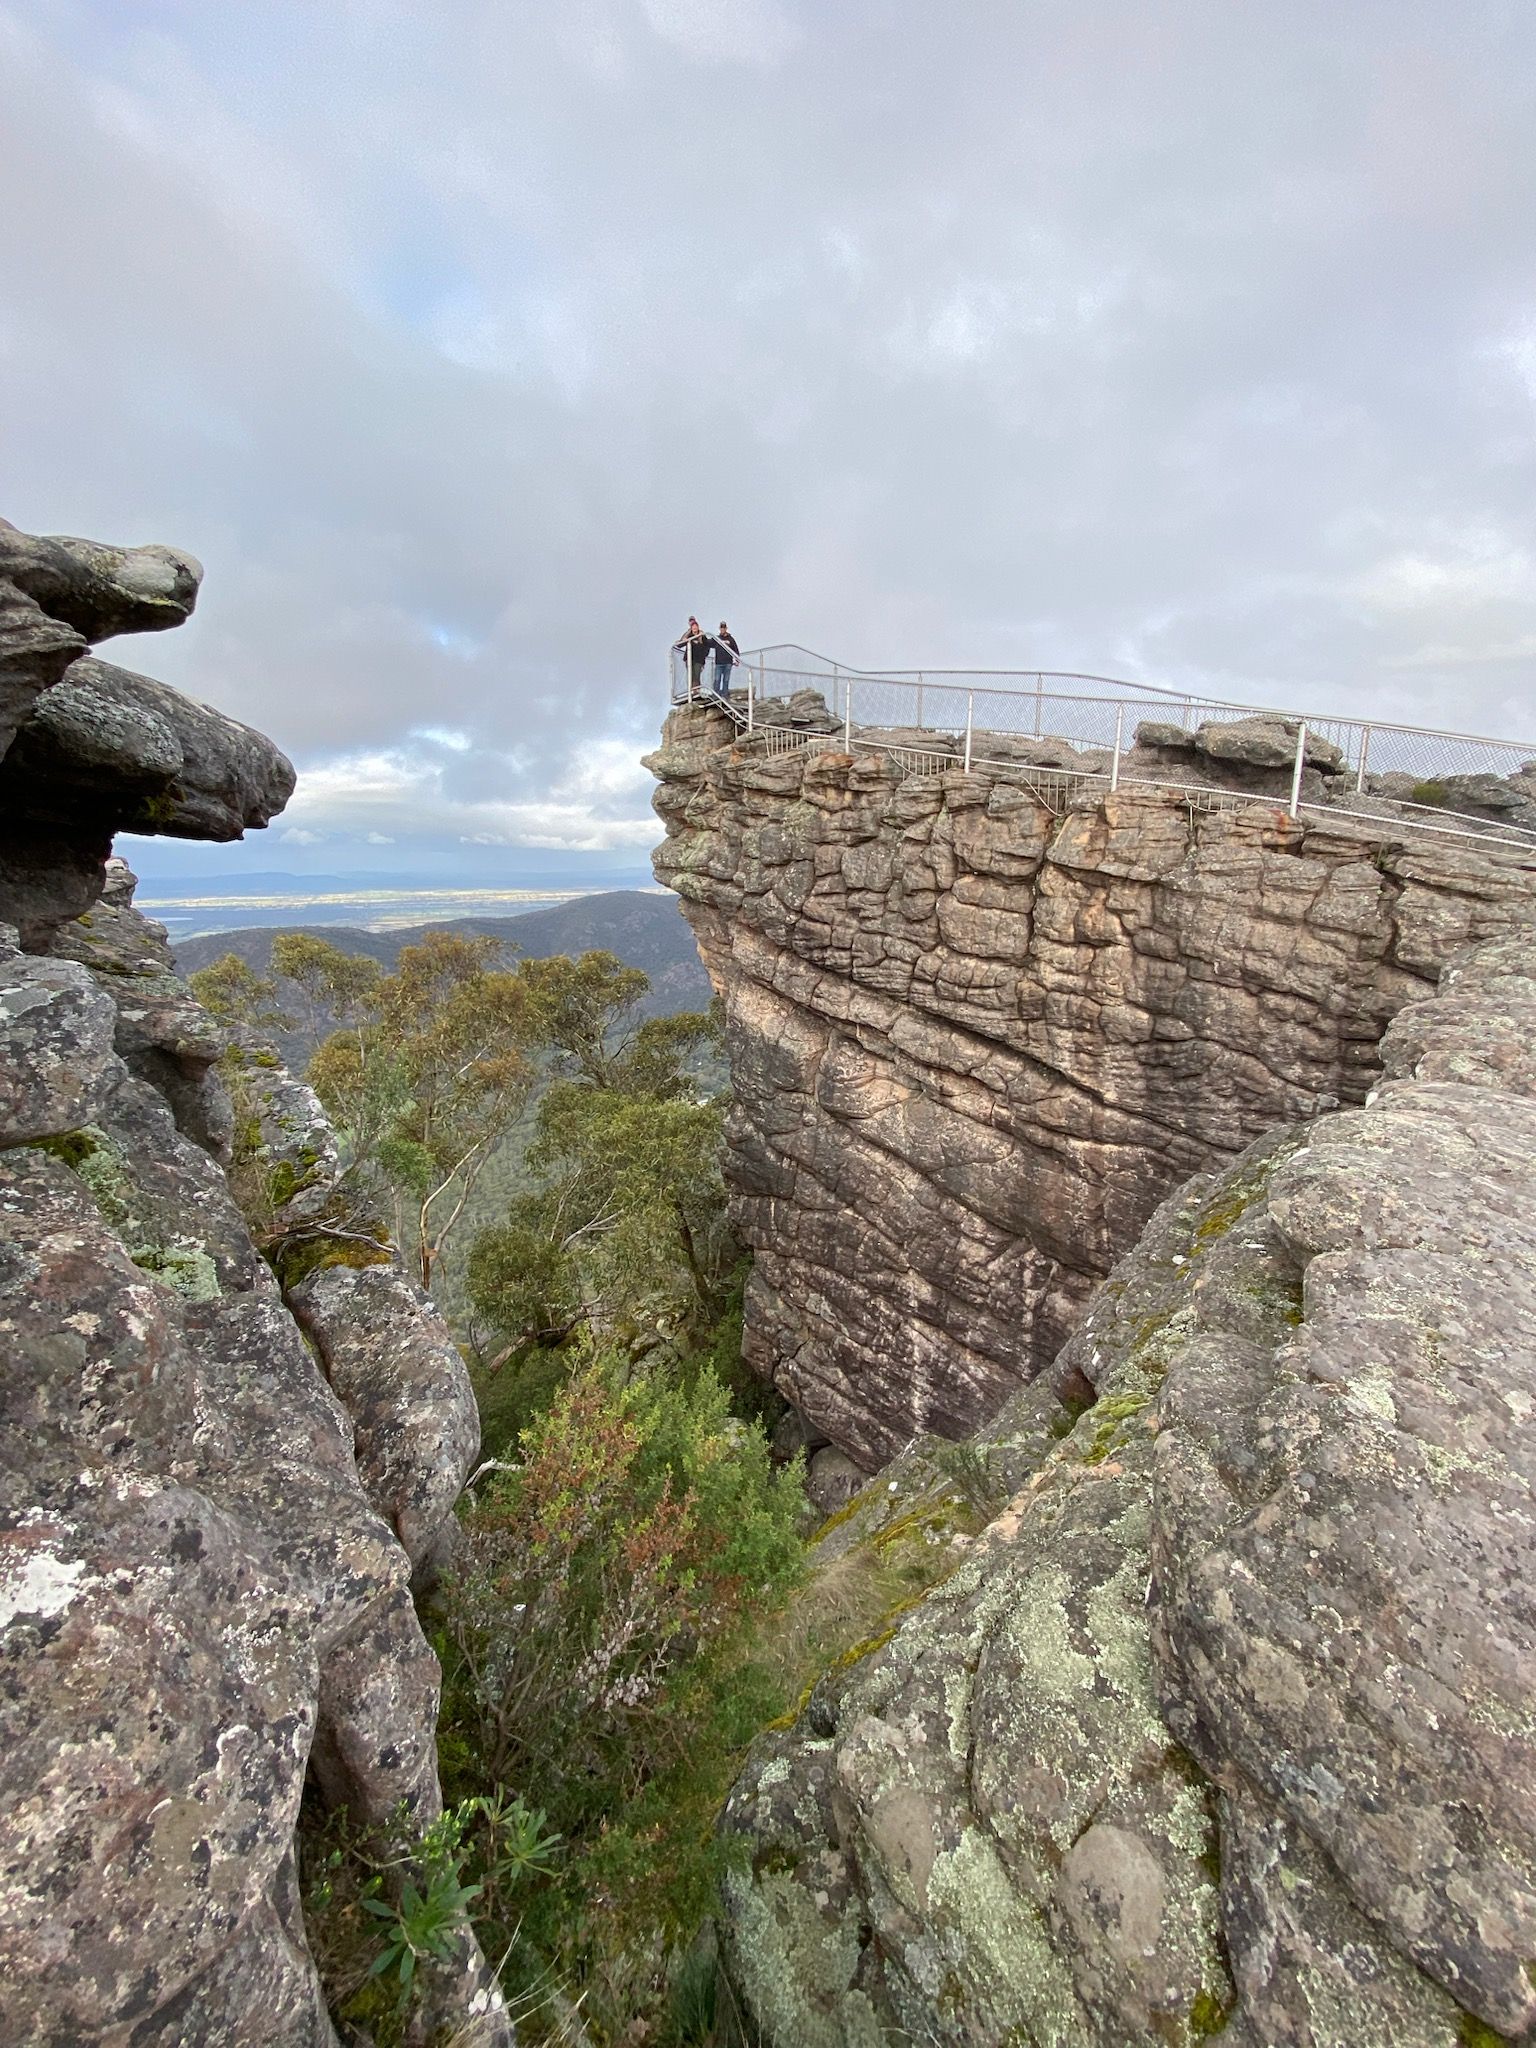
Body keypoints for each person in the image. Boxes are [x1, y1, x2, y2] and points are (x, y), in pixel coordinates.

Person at [672, 616, 708, 698]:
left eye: (695, 626)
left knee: (697, 675)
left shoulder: (702, 635)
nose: (694, 627)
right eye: (692, 626)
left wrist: (704, 658)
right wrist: (684, 637)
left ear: (698, 627)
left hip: (699, 660)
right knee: (690, 675)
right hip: (689, 659)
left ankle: (697, 690)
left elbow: (707, 647)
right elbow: (680, 645)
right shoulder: (688, 635)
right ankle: (692, 691)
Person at [712, 621, 740, 699]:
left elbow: (736, 650)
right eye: (721, 628)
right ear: (719, 628)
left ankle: (725, 694)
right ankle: (715, 695)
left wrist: (737, 659)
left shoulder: (731, 639)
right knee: (717, 679)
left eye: (724, 628)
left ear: (726, 628)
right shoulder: (716, 638)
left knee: (726, 680)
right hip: (719, 663)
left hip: (728, 663)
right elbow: (709, 643)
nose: (722, 629)